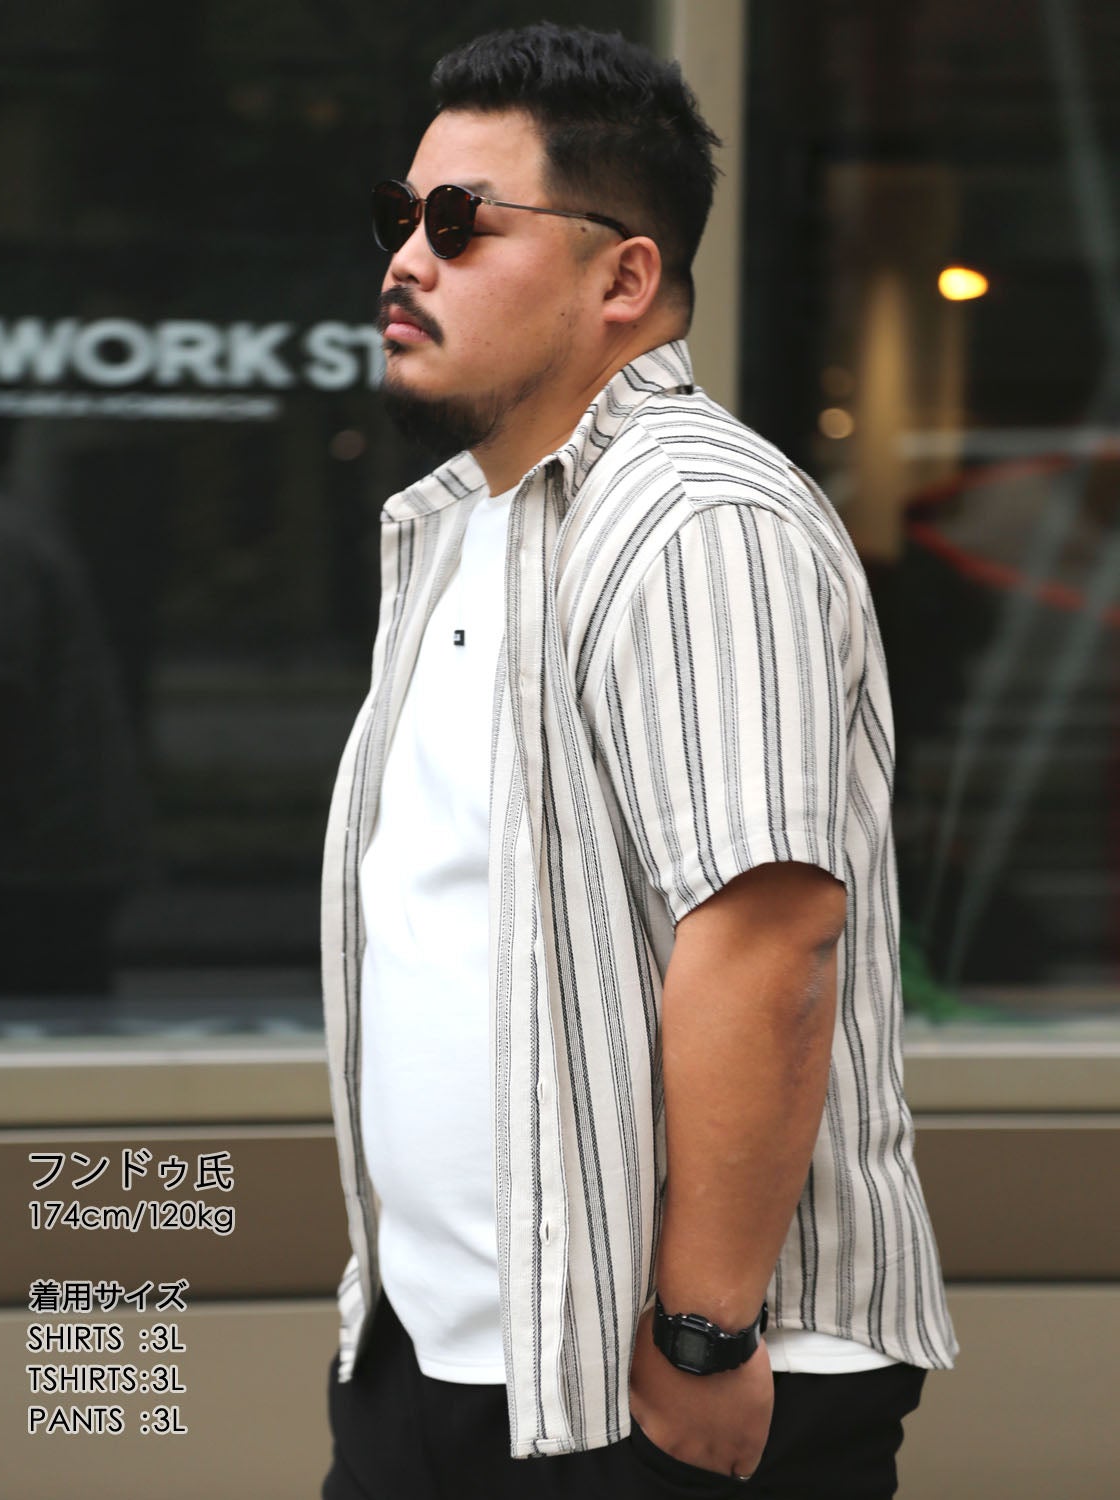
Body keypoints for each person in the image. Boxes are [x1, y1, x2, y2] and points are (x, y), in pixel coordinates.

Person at [320, 23, 956, 1500]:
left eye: (462, 221)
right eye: (400, 215)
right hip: (452, 1357)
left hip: (657, 1379)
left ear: (625, 277)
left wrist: (702, 1328)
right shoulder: (465, 527)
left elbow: (771, 935)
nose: (408, 258)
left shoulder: (695, 521)